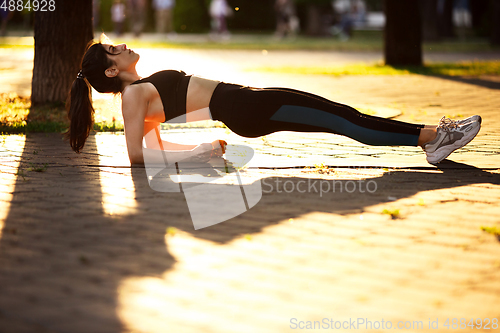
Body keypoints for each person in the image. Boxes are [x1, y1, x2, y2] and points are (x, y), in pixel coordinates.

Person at [66, 38, 482, 166]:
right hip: (244, 109)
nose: (120, 46)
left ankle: (429, 137)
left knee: (341, 116)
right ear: (110, 71)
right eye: (112, 51)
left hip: (246, 104)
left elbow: (150, 148)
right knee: (344, 120)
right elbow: (139, 154)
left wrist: (201, 150)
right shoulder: (134, 96)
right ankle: (431, 137)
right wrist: (199, 152)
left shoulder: (139, 89)